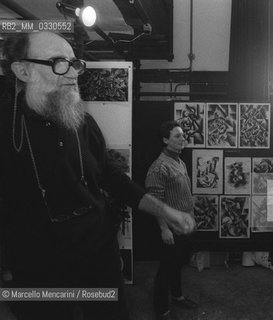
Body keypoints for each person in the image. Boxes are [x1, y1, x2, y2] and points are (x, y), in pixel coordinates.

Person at [0, 31, 195, 320]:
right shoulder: (5, 127)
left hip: (96, 252)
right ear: (23, 70)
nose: (72, 73)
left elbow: (110, 176)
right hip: (38, 264)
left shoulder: (81, 121)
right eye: (58, 62)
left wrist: (164, 211)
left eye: (73, 63)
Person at [145, 121, 198, 320]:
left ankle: (177, 296)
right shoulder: (159, 168)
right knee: (166, 269)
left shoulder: (179, 161)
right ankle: (161, 310)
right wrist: (163, 229)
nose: (182, 138)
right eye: (177, 136)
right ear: (165, 140)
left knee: (177, 265)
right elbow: (154, 202)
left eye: (183, 135)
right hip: (171, 228)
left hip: (185, 225)